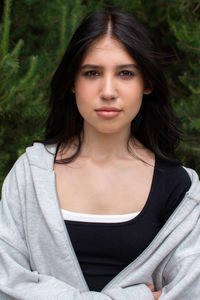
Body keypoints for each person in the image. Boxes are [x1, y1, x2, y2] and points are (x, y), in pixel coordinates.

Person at [0, 7, 199, 300]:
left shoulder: (180, 187)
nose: (108, 90)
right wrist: (140, 297)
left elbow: (190, 290)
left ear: (147, 83)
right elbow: (7, 283)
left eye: (126, 73)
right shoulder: (30, 174)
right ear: (72, 82)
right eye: (92, 73)